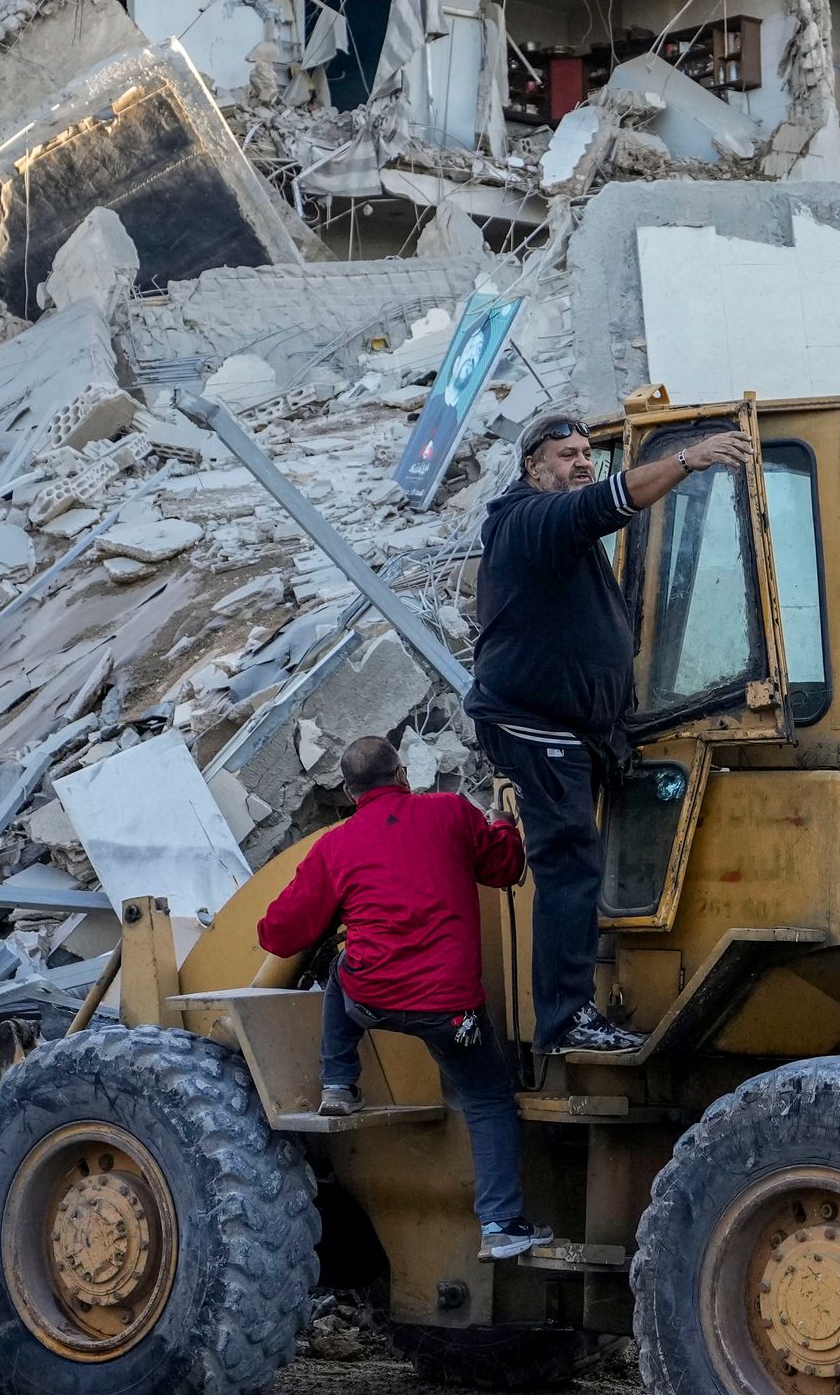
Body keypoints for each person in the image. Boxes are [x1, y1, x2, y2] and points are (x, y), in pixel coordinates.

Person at [465, 409, 748, 1054]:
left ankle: (578, 1007)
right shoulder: (527, 523)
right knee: (569, 864)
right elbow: (601, 506)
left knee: (582, 864)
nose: (582, 461)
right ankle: (564, 1021)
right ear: (533, 465)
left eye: (588, 453)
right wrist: (687, 459)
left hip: (576, 731)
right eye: (567, 454)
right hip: (534, 726)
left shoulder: (567, 543)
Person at [257, 732, 542, 1255]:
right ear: (403, 774)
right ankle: (500, 1226)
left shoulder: (335, 844)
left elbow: (281, 935)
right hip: (451, 1011)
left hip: (372, 999)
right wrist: (502, 825)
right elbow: (504, 868)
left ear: (348, 792)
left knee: (344, 967)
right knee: (487, 1098)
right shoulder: (451, 812)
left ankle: (339, 1083)